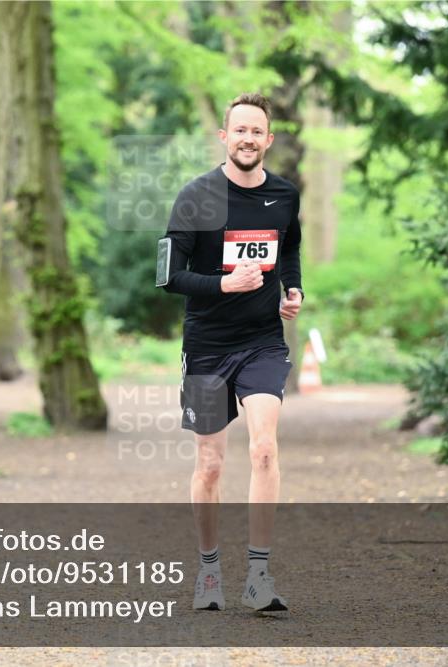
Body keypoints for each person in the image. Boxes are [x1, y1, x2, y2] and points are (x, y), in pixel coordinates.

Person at [158, 92, 303, 612]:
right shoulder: (195, 196)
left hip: (262, 342)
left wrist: (292, 288)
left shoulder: (284, 195)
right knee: (210, 463)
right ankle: (209, 571)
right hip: (206, 347)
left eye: (256, 131)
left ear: (269, 139)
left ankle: (258, 576)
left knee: (264, 449)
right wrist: (225, 284)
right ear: (224, 137)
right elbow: (168, 276)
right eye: (239, 130)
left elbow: (289, 246)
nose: (247, 138)